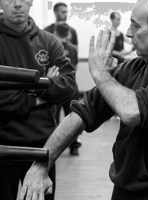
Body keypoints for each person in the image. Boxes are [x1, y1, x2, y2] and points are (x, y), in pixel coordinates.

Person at [21, 0, 148, 199]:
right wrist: (42, 163)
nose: (128, 33)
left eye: (135, 26)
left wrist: (101, 74)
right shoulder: (133, 68)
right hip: (123, 188)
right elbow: (82, 113)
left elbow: (132, 111)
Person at [0, 0, 75, 200]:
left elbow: (68, 85)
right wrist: (43, 84)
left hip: (41, 145)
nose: (17, 4)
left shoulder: (49, 41)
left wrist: (18, 89)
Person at [45, 3, 81, 155]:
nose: (65, 14)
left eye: (67, 12)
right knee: (53, 115)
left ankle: (73, 144)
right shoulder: (46, 32)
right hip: (53, 81)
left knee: (72, 115)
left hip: (68, 82)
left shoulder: (72, 31)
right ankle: (52, 144)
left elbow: (75, 57)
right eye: (62, 12)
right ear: (55, 12)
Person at [54, 22, 81, 155]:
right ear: (69, 34)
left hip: (56, 86)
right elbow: (74, 67)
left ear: (55, 33)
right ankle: (74, 146)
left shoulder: (53, 47)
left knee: (54, 117)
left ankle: (53, 147)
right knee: (72, 117)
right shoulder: (73, 48)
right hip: (71, 86)